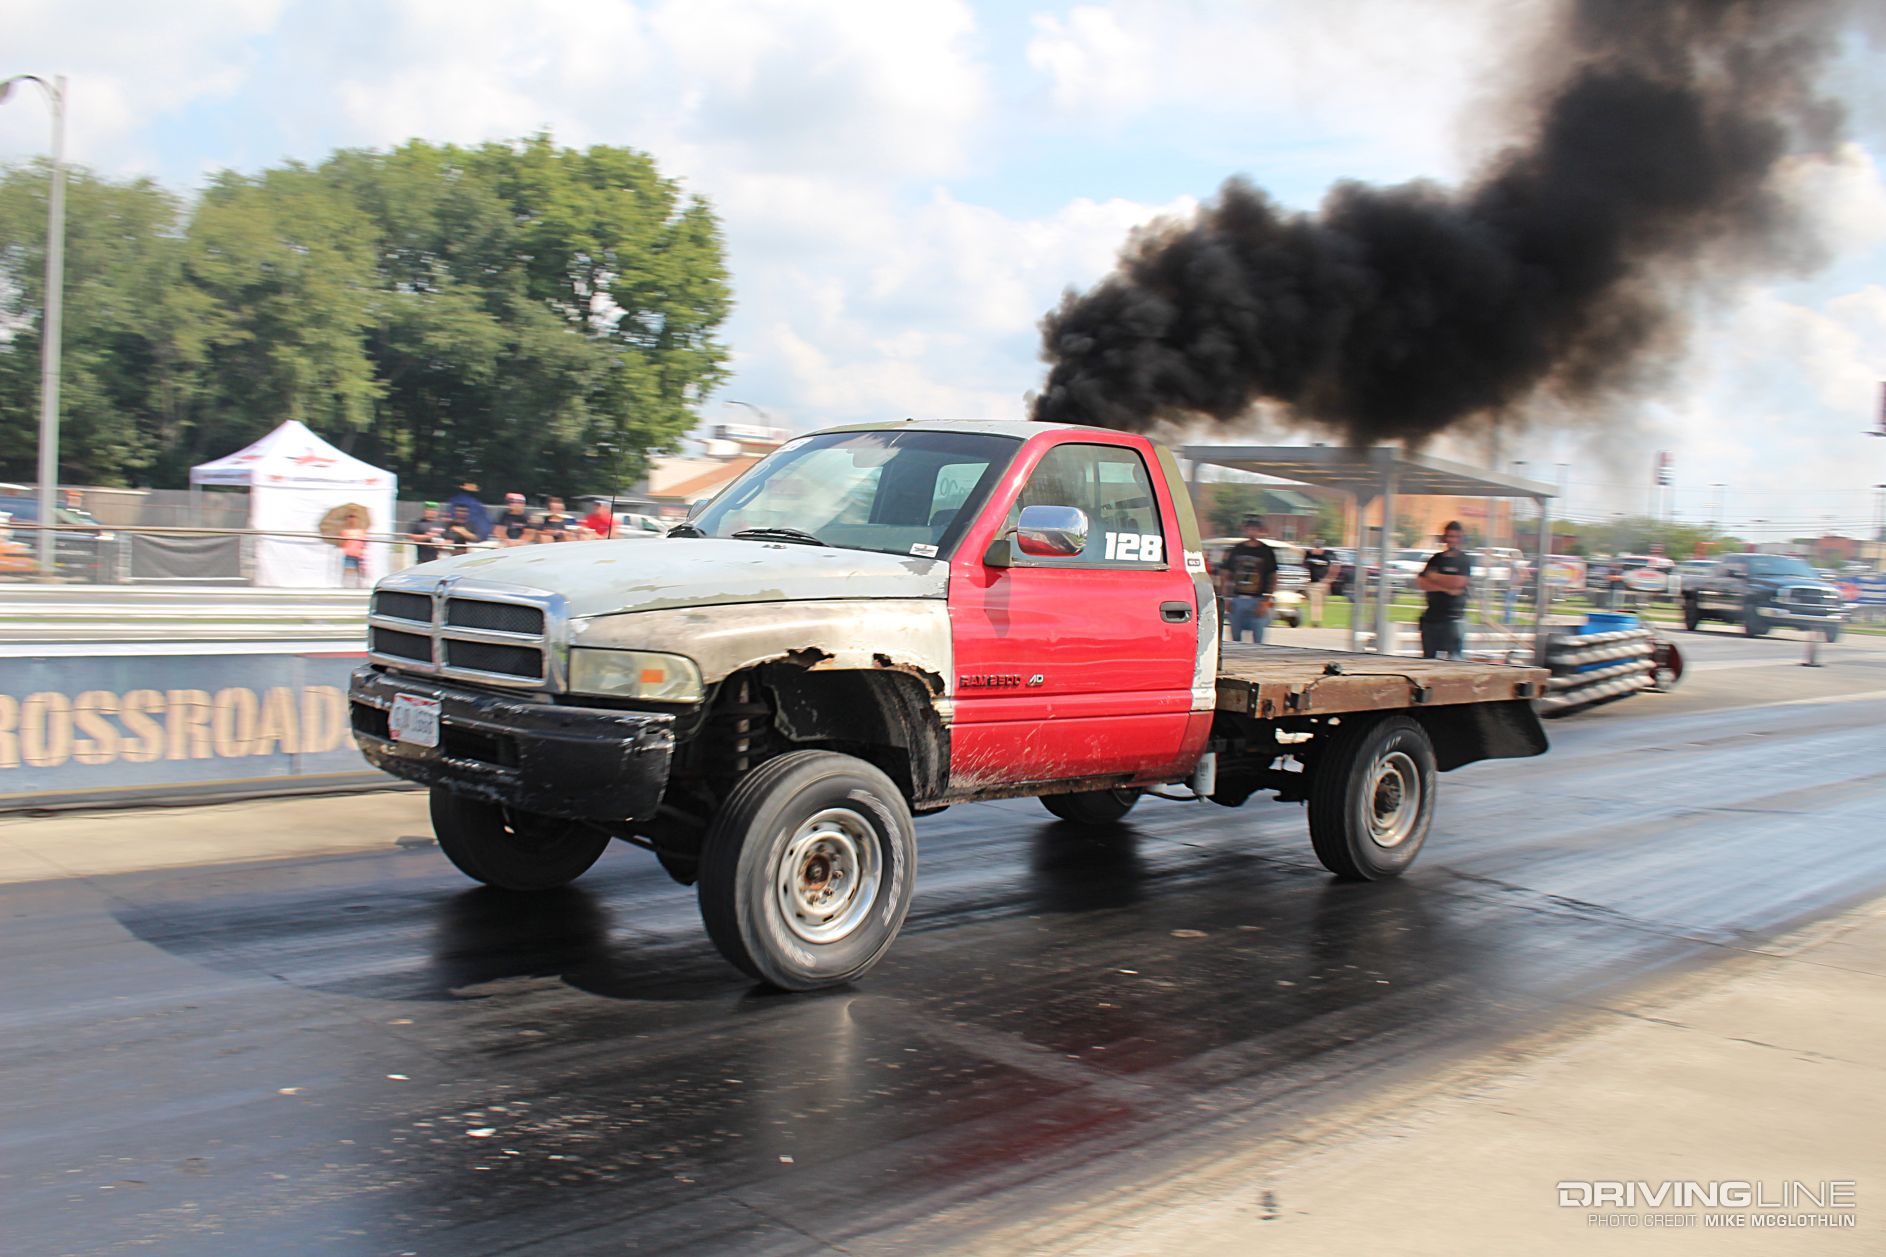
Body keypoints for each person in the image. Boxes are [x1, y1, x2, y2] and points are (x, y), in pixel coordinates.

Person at [1416, 521, 1472, 658]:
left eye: (1455, 537)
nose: (1452, 540)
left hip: (1453, 619)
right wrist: (1447, 588)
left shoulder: (1464, 560)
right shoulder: (1435, 559)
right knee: (1428, 660)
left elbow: (1460, 582)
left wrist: (1435, 578)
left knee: (1454, 660)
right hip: (1431, 619)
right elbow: (1422, 582)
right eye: (1449, 536)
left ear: (1460, 538)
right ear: (1444, 538)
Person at [1220, 514, 1278, 644]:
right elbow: (1226, 574)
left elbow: (1273, 577)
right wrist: (1226, 598)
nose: (1252, 531)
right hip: (1237, 598)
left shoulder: (1266, 551)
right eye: (1250, 528)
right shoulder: (1237, 549)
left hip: (1258, 599)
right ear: (1245, 530)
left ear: (1260, 530)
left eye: (1255, 528)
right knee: (1235, 637)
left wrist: (1266, 601)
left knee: (1258, 637)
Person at [1302, 537, 1332, 628]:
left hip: (1323, 584)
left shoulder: (1325, 558)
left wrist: (1327, 581)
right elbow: (1301, 553)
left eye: (1320, 547)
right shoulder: (1310, 556)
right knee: (1315, 602)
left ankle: (1317, 620)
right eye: (1316, 547)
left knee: (1321, 603)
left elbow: (1330, 569)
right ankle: (1315, 621)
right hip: (1314, 583)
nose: (1318, 549)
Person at [339, 520, 367, 588]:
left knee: (359, 571)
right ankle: (346, 585)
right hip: (349, 553)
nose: (352, 521)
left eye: (354, 518)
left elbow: (364, 542)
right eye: (350, 518)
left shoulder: (361, 531)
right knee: (348, 570)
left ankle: (359, 585)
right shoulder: (345, 531)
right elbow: (342, 543)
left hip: (359, 554)